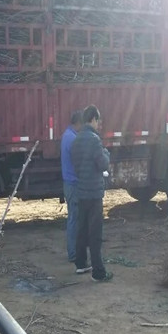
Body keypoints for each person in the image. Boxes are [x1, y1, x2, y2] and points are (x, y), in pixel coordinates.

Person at [70, 105, 113, 282]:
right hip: (94, 192)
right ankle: (98, 272)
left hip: (81, 191)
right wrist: (106, 154)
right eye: (98, 121)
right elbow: (102, 164)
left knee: (82, 229)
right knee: (95, 233)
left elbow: (75, 164)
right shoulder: (95, 140)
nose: (98, 124)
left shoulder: (76, 140)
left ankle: (81, 264)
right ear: (93, 119)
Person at [60, 110, 83, 262]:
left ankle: (73, 252)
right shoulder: (73, 139)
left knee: (73, 218)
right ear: (79, 123)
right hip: (74, 184)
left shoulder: (66, 135)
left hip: (68, 183)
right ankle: (74, 254)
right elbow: (79, 163)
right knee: (75, 219)